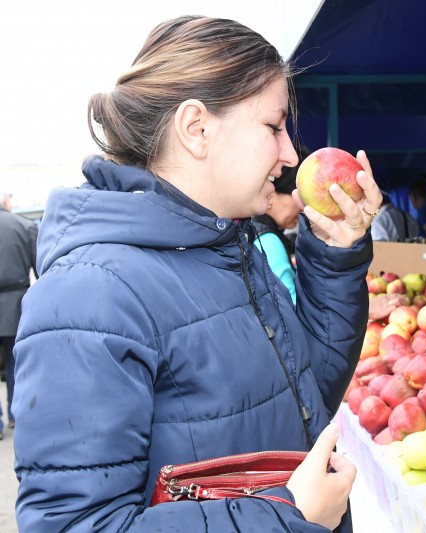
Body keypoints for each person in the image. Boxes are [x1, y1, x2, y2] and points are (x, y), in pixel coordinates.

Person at [13, 16, 384, 533]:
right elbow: (76, 524)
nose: (290, 154)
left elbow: (306, 398)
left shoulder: (229, 250)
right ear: (196, 128)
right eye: (273, 127)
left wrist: (334, 255)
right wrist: (285, 516)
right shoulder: (89, 295)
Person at [0, 192, 37, 438]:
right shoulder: (24, 225)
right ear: (5, 203)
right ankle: (16, 414)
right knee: (16, 364)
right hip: (16, 305)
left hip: (13, 298)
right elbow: (41, 268)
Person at [252, 149, 307, 303]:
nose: (303, 208)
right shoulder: (268, 241)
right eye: (300, 197)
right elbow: (289, 305)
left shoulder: (253, 230)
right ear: (271, 194)